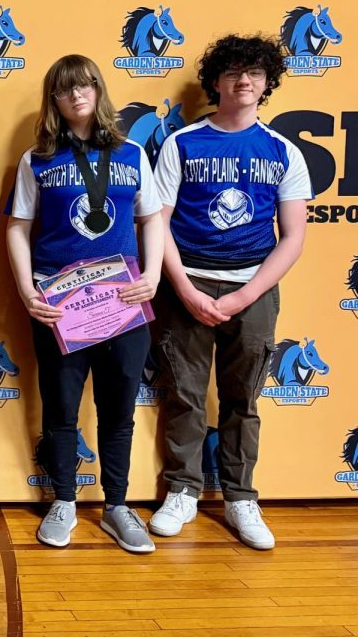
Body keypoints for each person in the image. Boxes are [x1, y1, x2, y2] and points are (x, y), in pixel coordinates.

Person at [149, 35, 310, 550]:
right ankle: (182, 490)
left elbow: (294, 239)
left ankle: (241, 497)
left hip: (254, 291)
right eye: (234, 72)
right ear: (215, 82)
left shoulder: (283, 150)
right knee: (186, 397)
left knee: (243, 399)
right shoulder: (182, 143)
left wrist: (244, 296)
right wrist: (184, 288)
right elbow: (158, 225)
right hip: (186, 286)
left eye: (255, 73)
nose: (245, 81)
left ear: (267, 84)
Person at [5, 54, 162, 554]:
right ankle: (65, 501)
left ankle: (117, 505)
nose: (78, 95)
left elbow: (152, 218)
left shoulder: (133, 152)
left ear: (100, 90)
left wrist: (154, 275)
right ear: (53, 98)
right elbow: (17, 227)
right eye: (66, 88)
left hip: (121, 300)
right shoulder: (38, 159)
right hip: (60, 305)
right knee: (61, 410)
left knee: (119, 411)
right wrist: (29, 290)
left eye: (87, 85)